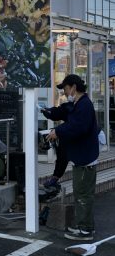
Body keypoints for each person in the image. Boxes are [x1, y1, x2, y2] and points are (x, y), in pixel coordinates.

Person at [46, 74, 99, 241]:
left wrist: (58, 131)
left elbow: (77, 127)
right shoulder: (78, 104)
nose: (65, 92)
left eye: (66, 88)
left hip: (85, 159)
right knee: (82, 194)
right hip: (83, 157)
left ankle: (85, 231)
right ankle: (84, 227)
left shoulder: (84, 105)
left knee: (83, 195)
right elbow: (68, 118)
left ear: (74, 87)